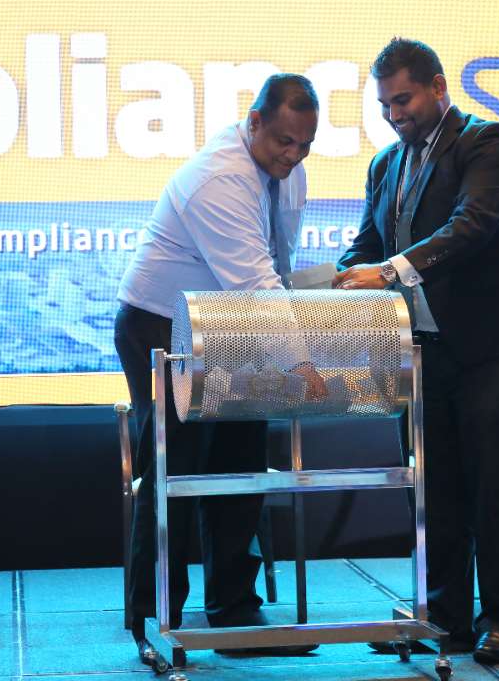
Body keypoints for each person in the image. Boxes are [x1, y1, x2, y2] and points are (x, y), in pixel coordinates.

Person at [334, 38, 499, 665]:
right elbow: (369, 244)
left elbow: (473, 225)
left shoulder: (485, 141)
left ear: (437, 86)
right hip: (422, 350)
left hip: (492, 344)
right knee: (434, 489)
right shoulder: (385, 164)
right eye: (384, 105)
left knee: (494, 485)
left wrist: (388, 271)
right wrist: (336, 278)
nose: (394, 114)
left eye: (403, 100)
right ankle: (444, 618)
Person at [115, 73, 326, 663]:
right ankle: (154, 614)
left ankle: (234, 609)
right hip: (161, 326)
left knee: (240, 460)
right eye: (284, 141)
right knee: (173, 468)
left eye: (305, 144)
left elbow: (276, 264)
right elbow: (255, 284)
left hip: (230, 325)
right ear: (254, 122)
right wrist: (301, 361)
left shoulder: (288, 169)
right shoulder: (219, 178)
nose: (294, 154)